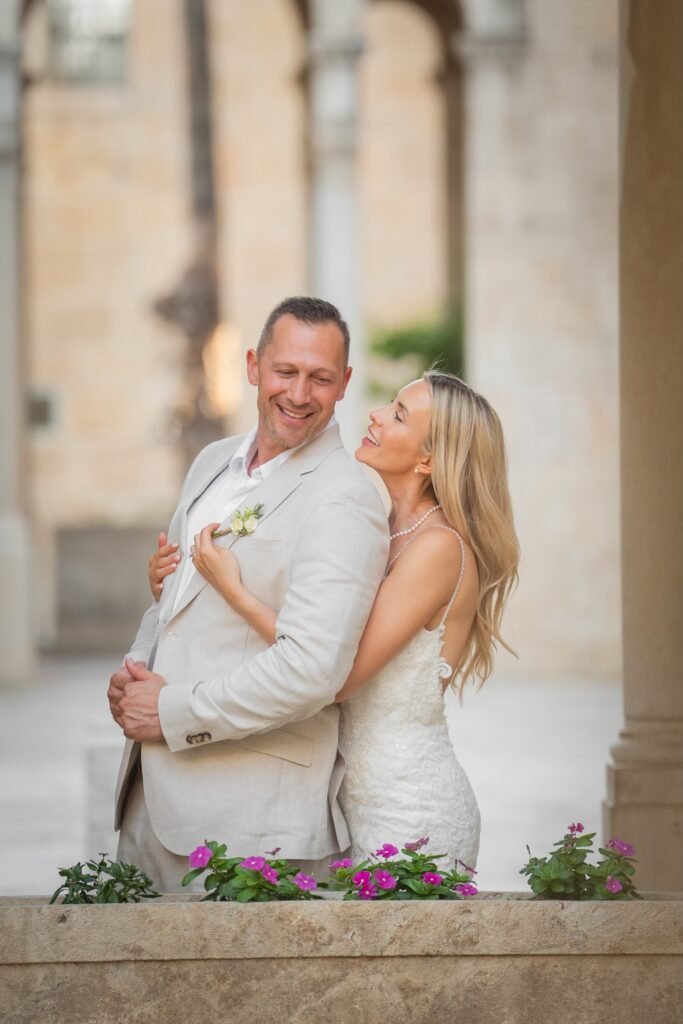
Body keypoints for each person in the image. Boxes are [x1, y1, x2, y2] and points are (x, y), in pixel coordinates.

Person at [149, 371, 520, 867]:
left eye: (399, 415)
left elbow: (336, 673)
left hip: (407, 811)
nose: (376, 414)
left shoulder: (438, 548)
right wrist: (177, 583)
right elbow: (313, 621)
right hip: (345, 800)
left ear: (428, 459)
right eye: (390, 404)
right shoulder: (384, 527)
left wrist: (235, 592)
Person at [107, 296, 390, 891]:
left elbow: (313, 669)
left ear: (344, 385)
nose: (299, 393)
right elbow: (177, 595)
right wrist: (134, 671)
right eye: (285, 371)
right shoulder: (212, 461)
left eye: (320, 378)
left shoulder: (345, 498)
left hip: (252, 825)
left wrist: (168, 710)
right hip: (149, 802)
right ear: (253, 366)